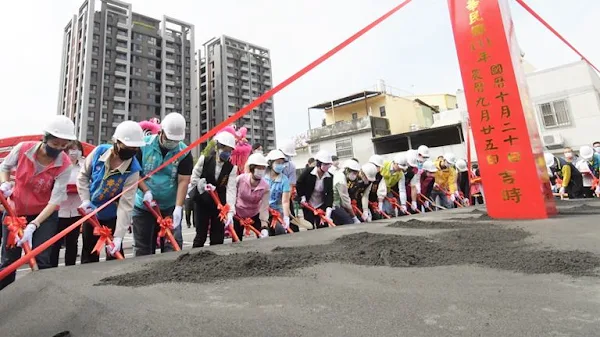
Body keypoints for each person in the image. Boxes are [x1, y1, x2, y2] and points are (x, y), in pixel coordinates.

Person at [0, 116, 76, 290]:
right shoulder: (23, 149)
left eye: (64, 145)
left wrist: (34, 224)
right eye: (55, 144)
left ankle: (39, 301)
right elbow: (4, 167)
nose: (59, 149)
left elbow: (55, 199)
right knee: (9, 260)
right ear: (45, 138)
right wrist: (4, 182)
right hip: (15, 211)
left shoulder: (65, 164)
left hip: (44, 215)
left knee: (42, 259)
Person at [78, 121, 144, 263]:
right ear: (117, 142)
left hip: (113, 216)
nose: (132, 151)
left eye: (135, 148)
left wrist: (119, 236)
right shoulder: (99, 152)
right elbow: (83, 176)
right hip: (91, 213)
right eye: (128, 147)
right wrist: (85, 200)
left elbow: (126, 204)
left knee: (114, 257)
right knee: (89, 255)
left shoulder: (133, 170)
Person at [132, 113, 192, 256]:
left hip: (169, 206)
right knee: (143, 248)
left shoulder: (184, 152)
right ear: (161, 132)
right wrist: (146, 191)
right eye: (169, 139)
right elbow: (135, 173)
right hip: (144, 205)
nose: (172, 143)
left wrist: (178, 207)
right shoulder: (143, 146)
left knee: (173, 245)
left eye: (175, 140)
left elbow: (183, 180)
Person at [190, 131, 238, 247]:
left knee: (218, 235)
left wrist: (230, 211)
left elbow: (231, 190)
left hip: (219, 204)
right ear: (217, 147)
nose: (227, 153)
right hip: (202, 201)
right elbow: (194, 179)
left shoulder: (232, 168)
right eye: (224, 150)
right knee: (200, 234)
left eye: (229, 151)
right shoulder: (204, 160)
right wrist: (202, 185)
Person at [50, 140, 84, 267]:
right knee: (55, 243)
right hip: (59, 210)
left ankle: (70, 267)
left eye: (77, 149)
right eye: (72, 149)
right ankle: (52, 268)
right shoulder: (59, 164)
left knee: (72, 242)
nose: (75, 152)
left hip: (76, 210)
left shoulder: (84, 165)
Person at [235, 153, 271, 239]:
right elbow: (232, 195)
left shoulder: (265, 186)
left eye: (263, 168)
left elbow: (264, 207)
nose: (261, 170)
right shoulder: (240, 179)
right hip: (238, 214)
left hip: (254, 213)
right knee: (236, 239)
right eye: (259, 168)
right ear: (252, 168)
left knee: (262, 237)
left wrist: (264, 227)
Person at [296, 150, 334, 229]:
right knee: (310, 226)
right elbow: (299, 184)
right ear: (319, 163)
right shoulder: (308, 172)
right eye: (325, 164)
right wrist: (302, 197)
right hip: (308, 204)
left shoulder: (329, 177)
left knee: (323, 226)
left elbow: (330, 194)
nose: (327, 166)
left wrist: (328, 211)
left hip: (321, 204)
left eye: (328, 164)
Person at [264, 150, 292, 235]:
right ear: (270, 163)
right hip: (263, 211)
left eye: (282, 163)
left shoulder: (284, 180)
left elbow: (285, 201)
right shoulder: (263, 178)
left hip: (277, 212)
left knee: (280, 231)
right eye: (278, 162)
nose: (280, 165)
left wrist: (286, 217)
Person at [331, 159, 361, 225]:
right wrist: (354, 217)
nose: (355, 175)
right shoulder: (340, 179)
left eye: (356, 173)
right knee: (348, 221)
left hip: (340, 204)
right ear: (347, 170)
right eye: (354, 173)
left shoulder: (343, 176)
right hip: (334, 205)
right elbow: (345, 199)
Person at [278, 140, 299, 232]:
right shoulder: (269, 163)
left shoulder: (291, 166)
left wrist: (286, 203)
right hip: (271, 197)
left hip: (285, 194)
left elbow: (290, 186)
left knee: (291, 222)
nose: (287, 158)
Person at [366, 155, 387, 219]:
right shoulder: (365, 173)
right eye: (378, 166)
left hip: (373, 200)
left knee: (377, 217)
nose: (379, 168)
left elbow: (381, 190)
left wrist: (380, 205)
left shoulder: (380, 177)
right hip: (363, 201)